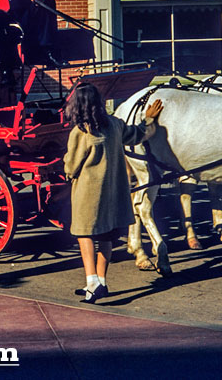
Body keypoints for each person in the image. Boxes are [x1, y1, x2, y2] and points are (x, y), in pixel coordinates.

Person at [63, 84, 163, 304]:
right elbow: (138, 134)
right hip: (114, 192)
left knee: (85, 234)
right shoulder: (114, 125)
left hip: (88, 194)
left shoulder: (80, 132)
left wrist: (65, 169)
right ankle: (102, 282)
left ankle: (92, 282)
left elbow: (71, 167)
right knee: (107, 236)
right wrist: (148, 119)